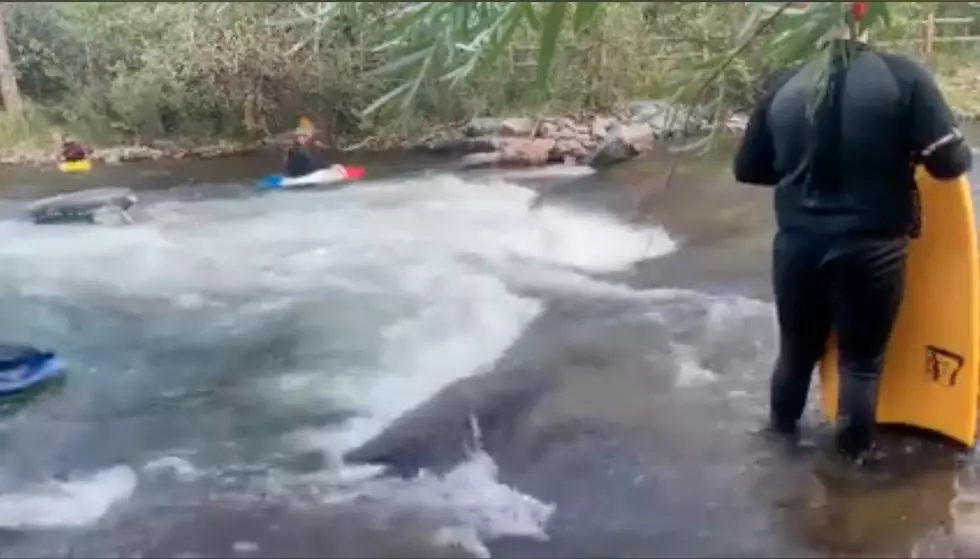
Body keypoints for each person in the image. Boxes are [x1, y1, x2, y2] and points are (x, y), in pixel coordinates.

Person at [733, 32, 972, 465]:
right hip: (871, 248)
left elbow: (749, 169)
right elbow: (950, 164)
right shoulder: (904, 77)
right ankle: (851, 472)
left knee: (795, 354)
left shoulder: (785, 82)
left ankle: (777, 454)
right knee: (860, 364)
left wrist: (801, 168)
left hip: (796, 244)